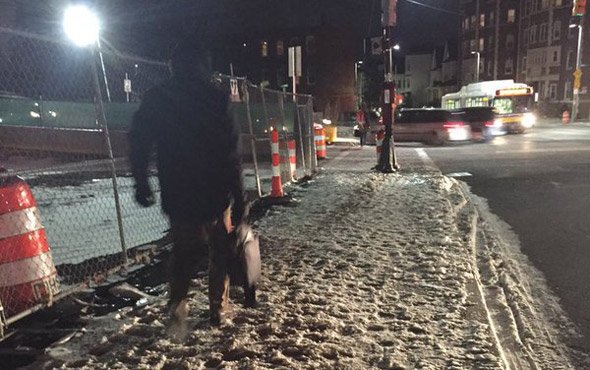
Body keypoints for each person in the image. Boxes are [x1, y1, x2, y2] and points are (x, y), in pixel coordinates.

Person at [128, 39, 246, 330]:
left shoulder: (157, 98)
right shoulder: (216, 99)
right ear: (204, 67)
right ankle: (218, 309)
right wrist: (239, 195)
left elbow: (139, 141)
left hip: (178, 190)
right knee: (220, 251)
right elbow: (230, 152)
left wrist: (141, 181)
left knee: (183, 253)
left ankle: (177, 308)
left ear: (174, 66)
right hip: (215, 192)